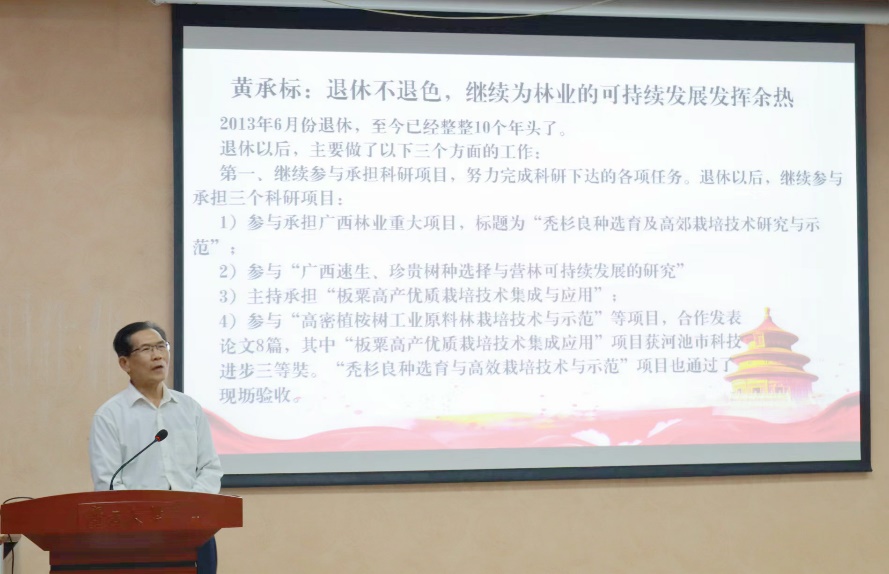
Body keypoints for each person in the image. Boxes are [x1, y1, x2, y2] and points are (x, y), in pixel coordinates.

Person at [89, 321, 223, 574]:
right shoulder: (110, 416)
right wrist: (143, 519)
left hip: (195, 529)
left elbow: (209, 467)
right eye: (146, 349)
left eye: (161, 347)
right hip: (138, 536)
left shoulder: (189, 408)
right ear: (125, 363)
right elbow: (108, 482)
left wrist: (191, 506)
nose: (158, 355)